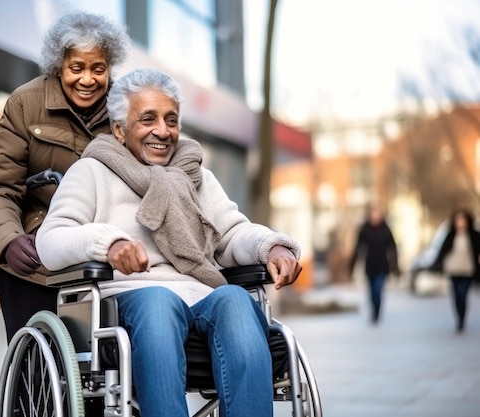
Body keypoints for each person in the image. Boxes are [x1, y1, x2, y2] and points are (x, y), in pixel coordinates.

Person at [36, 68, 303, 417]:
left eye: (171, 120)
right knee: (159, 301)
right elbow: (52, 239)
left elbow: (232, 232)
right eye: (148, 119)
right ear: (119, 129)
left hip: (202, 297)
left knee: (236, 299)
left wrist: (271, 247)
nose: (162, 131)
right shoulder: (91, 172)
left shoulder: (197, 177)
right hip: (130, 303)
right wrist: (109, 244)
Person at [0, 11, 131, 342]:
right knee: (40, 369)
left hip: (101, 256)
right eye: (77, 68)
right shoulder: (26, 104)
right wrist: (8, 240)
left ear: (109, 67)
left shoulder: (126, 109)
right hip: (35, 258)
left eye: (98, 69)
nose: (87, 79)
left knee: (109, 366)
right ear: (59, 65)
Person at [432, 209, 480, 333]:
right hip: (453, 269)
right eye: (458, 219)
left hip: (468, 269)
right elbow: (442, 251)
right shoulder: (451, 235)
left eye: (462, 219)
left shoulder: (473, 235)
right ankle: (459, 319)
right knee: (456, 295)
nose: (460, 222)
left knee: (463, 293)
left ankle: (462, 318)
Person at [349, 205, 399, 324]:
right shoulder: (365, 230)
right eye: (373, 214)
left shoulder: (386, 230)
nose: (375, 217)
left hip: (382, 265)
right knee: (371, 291)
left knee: (378, 289)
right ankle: (373, 311)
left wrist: (395, 266)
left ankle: (377, 312)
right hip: (370, 265)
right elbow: (358, 248)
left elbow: (393, 248)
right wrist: (352, 266)